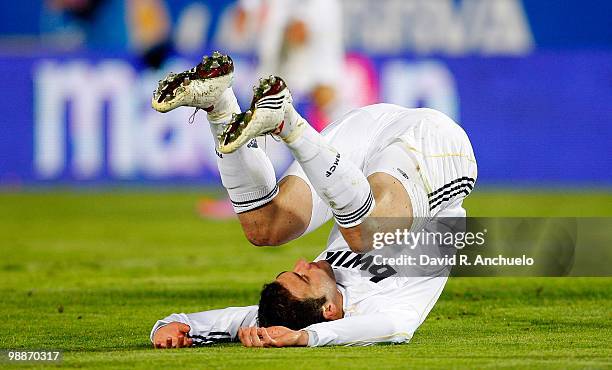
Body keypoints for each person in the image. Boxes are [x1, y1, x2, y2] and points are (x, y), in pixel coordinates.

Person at [150, 52, 477, 348]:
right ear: (330, 310)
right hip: (434, 147)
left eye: (291, 271)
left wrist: (171, 326)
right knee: (365, 233)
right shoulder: (382, 309)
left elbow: (232, 320)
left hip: (362, 134)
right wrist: (306, 337)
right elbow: (396, 329)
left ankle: (221, 105)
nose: (301, 263)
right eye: (303, 276)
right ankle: (271, 117)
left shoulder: (303, 304)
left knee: (263, 228)